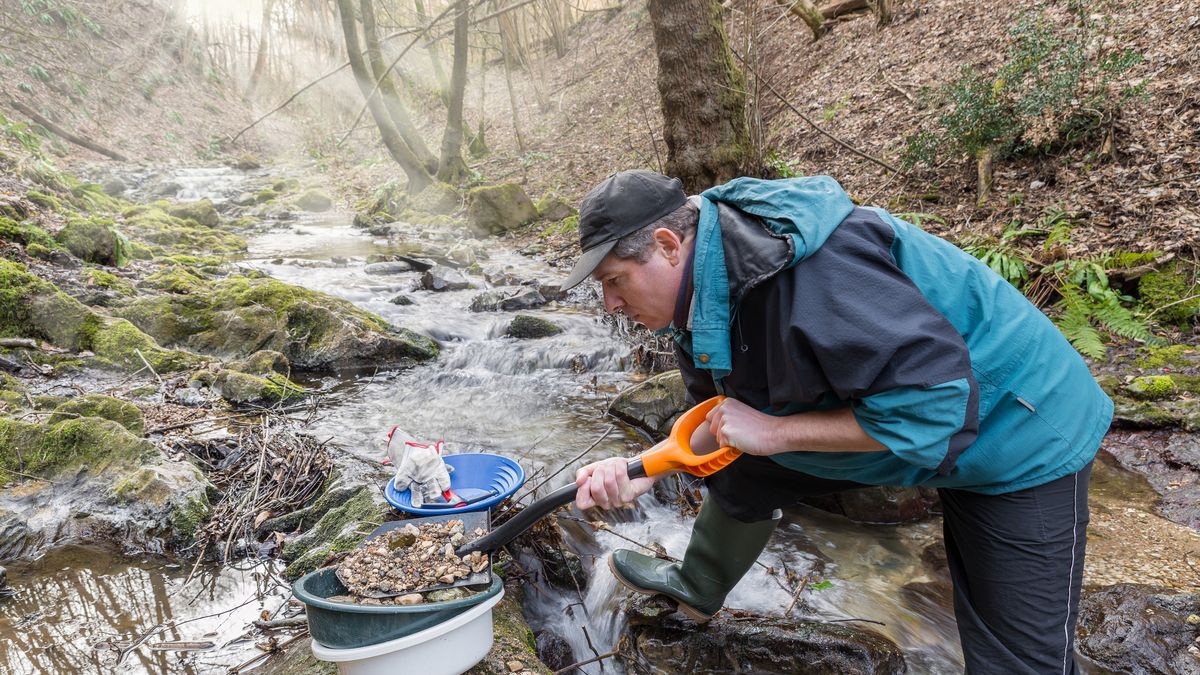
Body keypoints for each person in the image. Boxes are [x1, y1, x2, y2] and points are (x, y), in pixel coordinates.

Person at [562, 169, 1113, 674]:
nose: (610, 303)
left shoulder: (817, 275)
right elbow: (718, 419)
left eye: (615, 281)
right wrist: (645, 467)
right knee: (743, 443)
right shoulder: (699, 289)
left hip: (1019, 428)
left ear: (666, 246)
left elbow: (935, 408)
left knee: (1015, 659)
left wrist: (776, 433)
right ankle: (699, 584)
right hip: (907, 418)